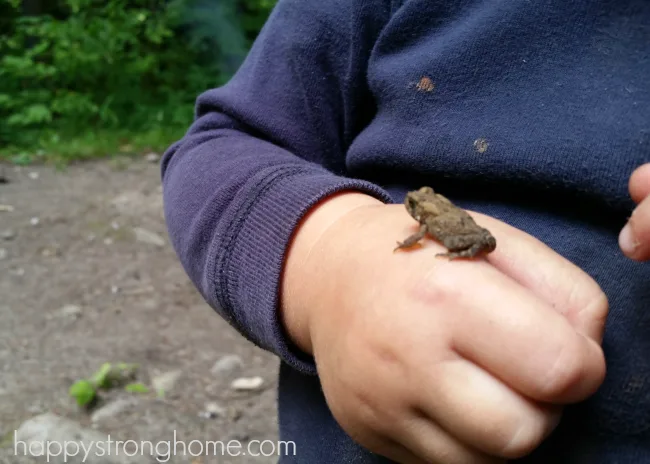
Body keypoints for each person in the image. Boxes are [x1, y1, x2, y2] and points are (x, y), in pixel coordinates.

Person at [160, 0, 650, 462]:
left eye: (413, 205)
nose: (412, 207)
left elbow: (420, 235)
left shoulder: (421, 222)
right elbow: (217, 147)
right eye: (413, 203)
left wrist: (419, 244)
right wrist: (330, 252)